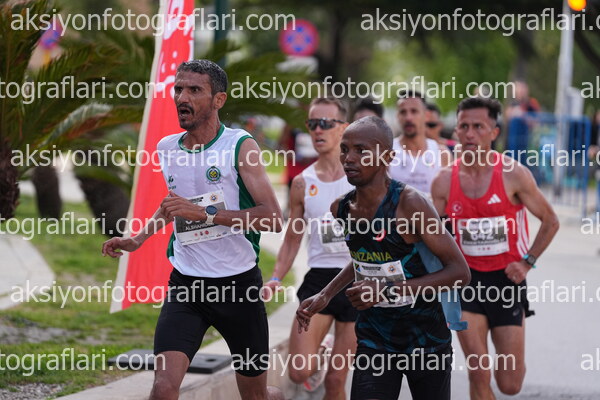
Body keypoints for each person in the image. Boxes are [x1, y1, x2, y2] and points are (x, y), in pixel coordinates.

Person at [102, 60, 284, 400]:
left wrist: (205, 214)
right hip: (187, 286)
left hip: (238, 287)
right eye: (179, 89)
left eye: (194, 90)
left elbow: (272, 217)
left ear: (218, 100)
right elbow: (174, 205)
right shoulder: (168, 148)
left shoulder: (240, 146)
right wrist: (137, 239)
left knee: (256, 396)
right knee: (163, 389)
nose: (182, 97)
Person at [296, 116, 471, 400]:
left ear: (387, 157)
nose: (349, 158)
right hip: (375, 338)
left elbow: (459, 272)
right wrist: (326, 294)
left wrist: (386, 290)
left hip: (425, 340)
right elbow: (362, 257)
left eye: (361, 150)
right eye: (345, 149)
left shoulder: (410, 204)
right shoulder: (342, 208)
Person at [431, 97, 559, 400]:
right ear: (456, 130)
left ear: (494, 132)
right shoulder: (444, 181)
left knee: (510, 383)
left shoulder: (514, 174)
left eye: (478, 126)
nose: (470, 133)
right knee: (478, 372)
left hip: (506, 281)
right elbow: (431, 234)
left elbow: (550, 221)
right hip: (465, 282)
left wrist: (527, 262)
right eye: (464, 126)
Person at [265, 97, 356, 398]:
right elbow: (292, 238)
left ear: (343, 128)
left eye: (326, 123)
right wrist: (276, 277)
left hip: (358, 279)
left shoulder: (361, 176)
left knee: (336, 381)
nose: (318, 130)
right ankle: (323, 349)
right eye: (312, 124)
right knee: (299, 371)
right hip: (319, 280)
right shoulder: (302, 182)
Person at [390, 91, 451, 195]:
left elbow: (448, 197)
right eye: (403, 112)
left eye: (414, 111)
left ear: (426, 115)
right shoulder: (388, 153)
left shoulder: (442, 154)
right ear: (397, 116)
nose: (408, 118)